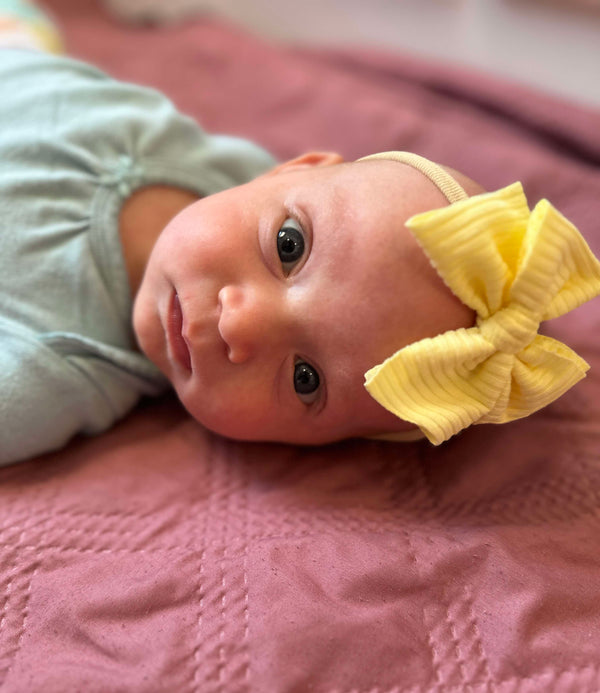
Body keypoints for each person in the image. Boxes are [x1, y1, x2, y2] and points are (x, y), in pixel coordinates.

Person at [2, 1, 600, 465]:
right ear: (295, 167)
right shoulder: (231, 173)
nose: (240, 324)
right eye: (289, 248)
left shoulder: (52, 376)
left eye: (304, 378)